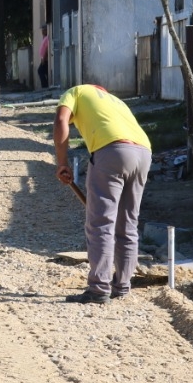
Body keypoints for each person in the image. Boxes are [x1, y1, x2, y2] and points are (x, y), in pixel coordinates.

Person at [53, 85, 152, 304]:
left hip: (112, 151)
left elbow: (61, 120)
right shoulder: (113, 100)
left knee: (101, 222)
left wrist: (62, 163)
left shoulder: (76, 92)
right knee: (128, 223)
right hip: (143, 152)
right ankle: (122, 286)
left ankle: (98, 289)